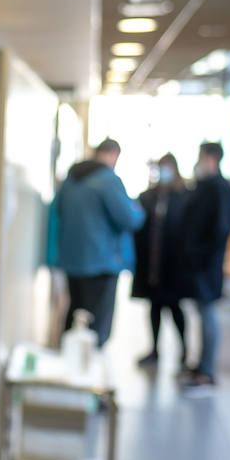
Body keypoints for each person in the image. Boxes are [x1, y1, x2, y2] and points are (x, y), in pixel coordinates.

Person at [48, 138, 145, 346]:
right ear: (113, 155)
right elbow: (129, 218)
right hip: (101, 262)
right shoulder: (108, 180)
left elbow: (59, 210)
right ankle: (90, 366)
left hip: (72, 259)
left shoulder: (72, 178)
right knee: (96, 323)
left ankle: (68, 360)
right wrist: (138, 210)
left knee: (75, 312)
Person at [177, 141, 230, 392]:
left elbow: (220, 230)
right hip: (198, 263)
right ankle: (201, 365)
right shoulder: (204, 187)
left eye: (202, 157)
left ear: (212, 158)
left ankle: (207, 371)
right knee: (201, 314)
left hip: (207, 265)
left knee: (208, 314)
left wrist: (200, 256)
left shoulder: (219, 189)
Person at [132, 153, 189, 368]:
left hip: (173, 264)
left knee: (174, 308)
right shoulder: (149, 196)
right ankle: (155, 349)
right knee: (154, 306)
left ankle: (184, 351)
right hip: (152, 263)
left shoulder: (183, 196)